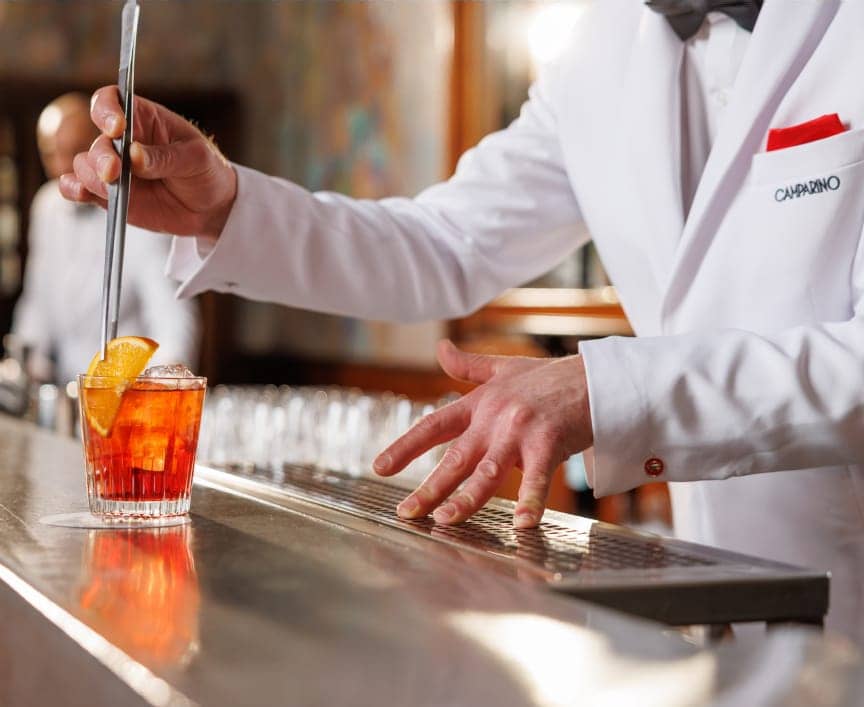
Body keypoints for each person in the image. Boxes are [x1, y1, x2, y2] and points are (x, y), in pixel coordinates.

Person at [62, 1, 864, 640]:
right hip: (731, 594)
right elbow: (445, 244)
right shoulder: (601, 47)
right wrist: (229, 203)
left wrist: (609, 387)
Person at [13, 92, 199, 385]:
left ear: (100, 146)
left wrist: (162, 383)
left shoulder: (137, 209)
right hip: (65, 386)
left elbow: (172, 315)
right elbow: (38, 302)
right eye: (50, 153)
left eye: (73, 151)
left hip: (125, 388)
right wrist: (22, 366)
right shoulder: (46, 205)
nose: (61, 165)